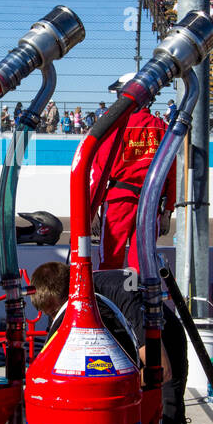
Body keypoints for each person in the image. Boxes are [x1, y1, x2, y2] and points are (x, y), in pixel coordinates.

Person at [29, 259, 189, 424]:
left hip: (163, 340)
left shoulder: (123, 293)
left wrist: (107, 389)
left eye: (54, 312)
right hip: (122, 340)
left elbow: (161, 370)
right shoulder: (62, 302)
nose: (54, 318)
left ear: (71, 294)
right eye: (50, 315)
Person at [89, 72, 176, 273]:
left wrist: (92, 208)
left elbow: (100, 171)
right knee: (143, 263)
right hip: (151, 203)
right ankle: (142, 303)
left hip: (120, 201)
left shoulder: (115, 127)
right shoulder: (162, 128)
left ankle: (112, 303)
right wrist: (167, 212)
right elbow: (171, 175)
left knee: (110, 261)